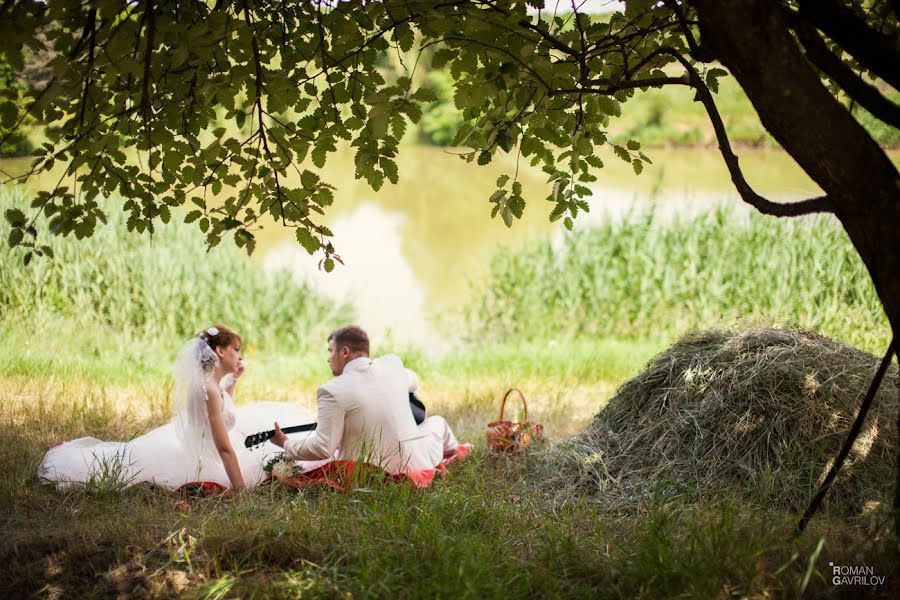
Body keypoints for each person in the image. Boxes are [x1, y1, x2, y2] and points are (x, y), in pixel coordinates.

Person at [39, 325, 327, 491]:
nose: (239, 355)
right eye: (235, 350)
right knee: (264, 459)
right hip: (205, 457)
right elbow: (224, 448)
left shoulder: (210, 384)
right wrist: (240, 491)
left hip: (196, 442)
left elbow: (219, 407)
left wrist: (232, 383)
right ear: (219, 352)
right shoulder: (209, 390)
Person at [271, 325, 466, 473]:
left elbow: (323, 448)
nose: (328, 358)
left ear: (345, 352)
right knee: (437, 422)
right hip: (416, 463)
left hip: (368, 473)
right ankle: (454, 452)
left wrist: (285, 443)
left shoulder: (331, 391)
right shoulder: (393, 364)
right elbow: (413, 381)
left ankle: (454, 453)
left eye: (331, 351)